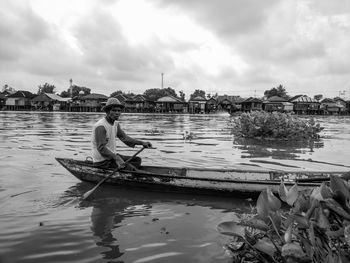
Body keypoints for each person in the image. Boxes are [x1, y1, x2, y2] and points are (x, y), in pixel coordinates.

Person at [91, 97, 152, 170]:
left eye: (119, 111)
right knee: (131, 169)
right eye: (114, 110)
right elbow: (101, 148)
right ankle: (129, 171)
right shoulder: (101, 126)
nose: (117, 113)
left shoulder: (115, 124)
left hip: (112, 157)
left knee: (137, 160)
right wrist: (116, 158)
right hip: (102, 162)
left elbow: (125, 138)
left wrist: (142, 143)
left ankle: (125, 171)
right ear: (107, 112)